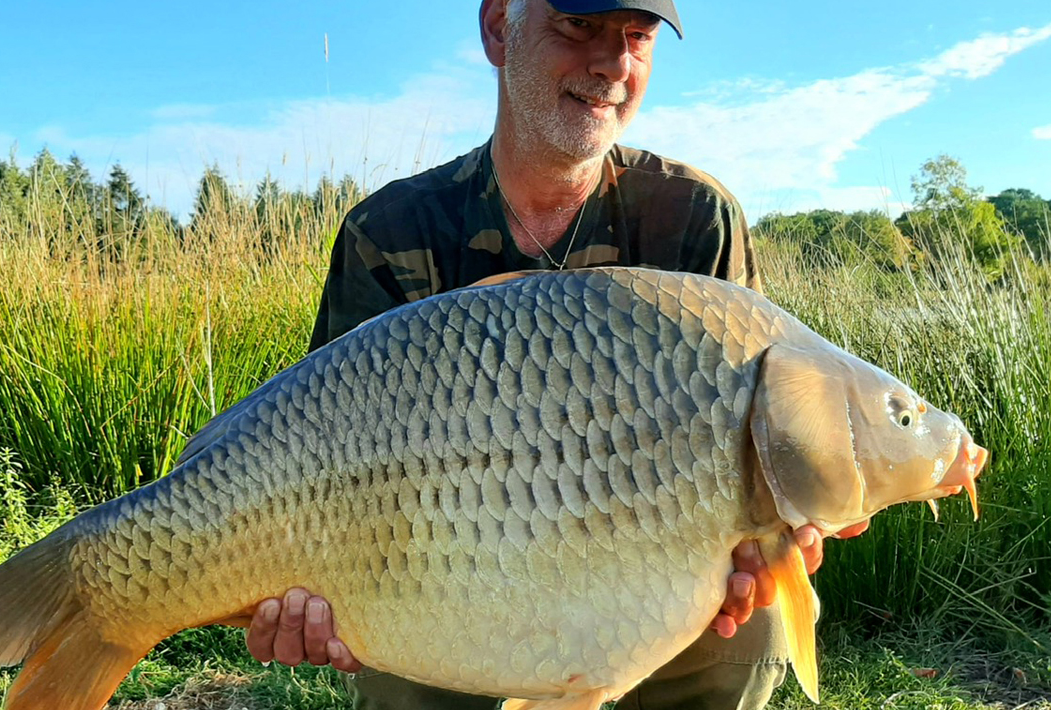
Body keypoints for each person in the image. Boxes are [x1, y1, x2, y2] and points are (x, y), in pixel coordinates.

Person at [242, 0, 868, 707]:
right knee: (381, 636)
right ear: (498, 26)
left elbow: (759, 451)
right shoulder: (390, 231)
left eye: (638, 35)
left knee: (750, 623)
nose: (613, 63)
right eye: (579, 25)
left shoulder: (696, 219)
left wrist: (783, 526)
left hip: (645, 572)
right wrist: (291, 594)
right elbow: (309, 457)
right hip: (440, 567)